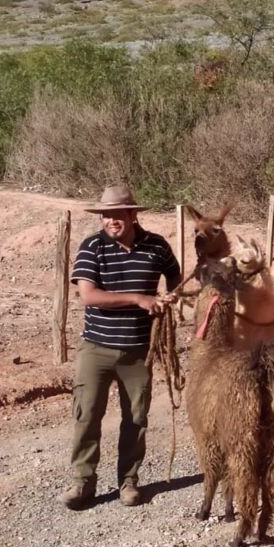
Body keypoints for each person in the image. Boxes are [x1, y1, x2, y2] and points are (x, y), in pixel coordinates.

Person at [61, 184, 181, 511]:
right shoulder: (92, 247)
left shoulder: (157, 246)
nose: (110, 221)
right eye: (105, 216)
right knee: (87, 414)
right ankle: (83, 482)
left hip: (138, 349)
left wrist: (171, 296)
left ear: (132, 214)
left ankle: (128, 481)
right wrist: (139, 298)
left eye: (116, 214)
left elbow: (174, 274)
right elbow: (88, 295)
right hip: (96, 348)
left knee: (136, 417)